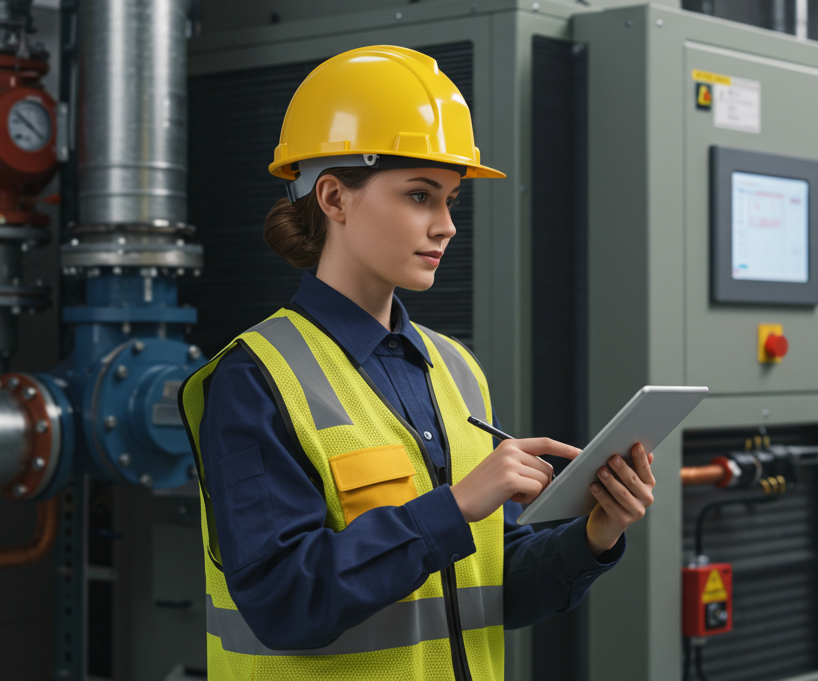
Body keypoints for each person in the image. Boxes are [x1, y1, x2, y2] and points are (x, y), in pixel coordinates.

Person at [180, 45, 656, 681]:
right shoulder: (256, 379)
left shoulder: (455, 369)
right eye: (419, 196)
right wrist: (454, 507)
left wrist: (595, 533)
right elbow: (286, 602)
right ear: (333, 197)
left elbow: (492, 587)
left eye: (451, 200)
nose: (446, 226)